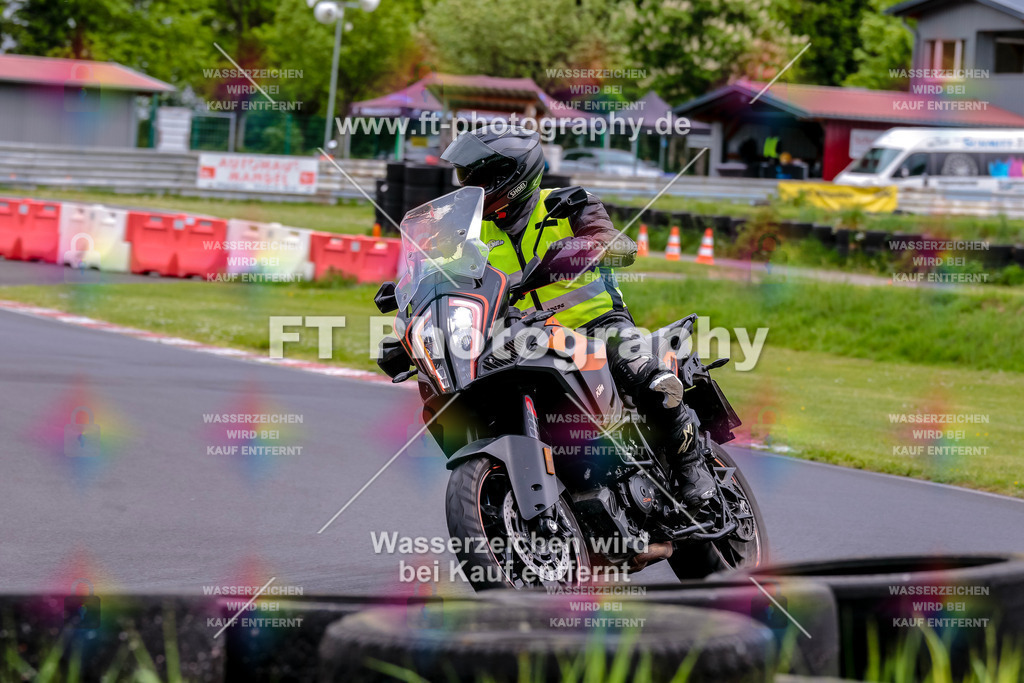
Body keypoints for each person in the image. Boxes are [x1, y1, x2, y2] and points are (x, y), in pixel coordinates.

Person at [440, 124, 715, 508]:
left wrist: (586, 249)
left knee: (647, 376)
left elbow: (611, 239)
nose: (472, 187)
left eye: (482, 178)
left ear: (513, 175)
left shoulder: (569, 204)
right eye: (466, 178)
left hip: (599, 325)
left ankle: (691, 467)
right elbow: (445, 280)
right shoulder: (470, 236)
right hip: (519, 338)